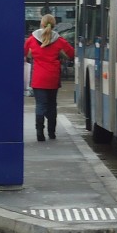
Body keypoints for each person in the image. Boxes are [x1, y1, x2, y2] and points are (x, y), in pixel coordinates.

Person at [23, 14, 74, 142]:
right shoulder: (59, 40)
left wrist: (31, 55)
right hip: (53, 77)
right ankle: (52, 133)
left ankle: (39, 133)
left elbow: (22, 53)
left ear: (41, 24)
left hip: (38, 78)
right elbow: (72, 54)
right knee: (52, 105)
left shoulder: (32, 39)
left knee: (40, 105)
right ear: (54, 24)